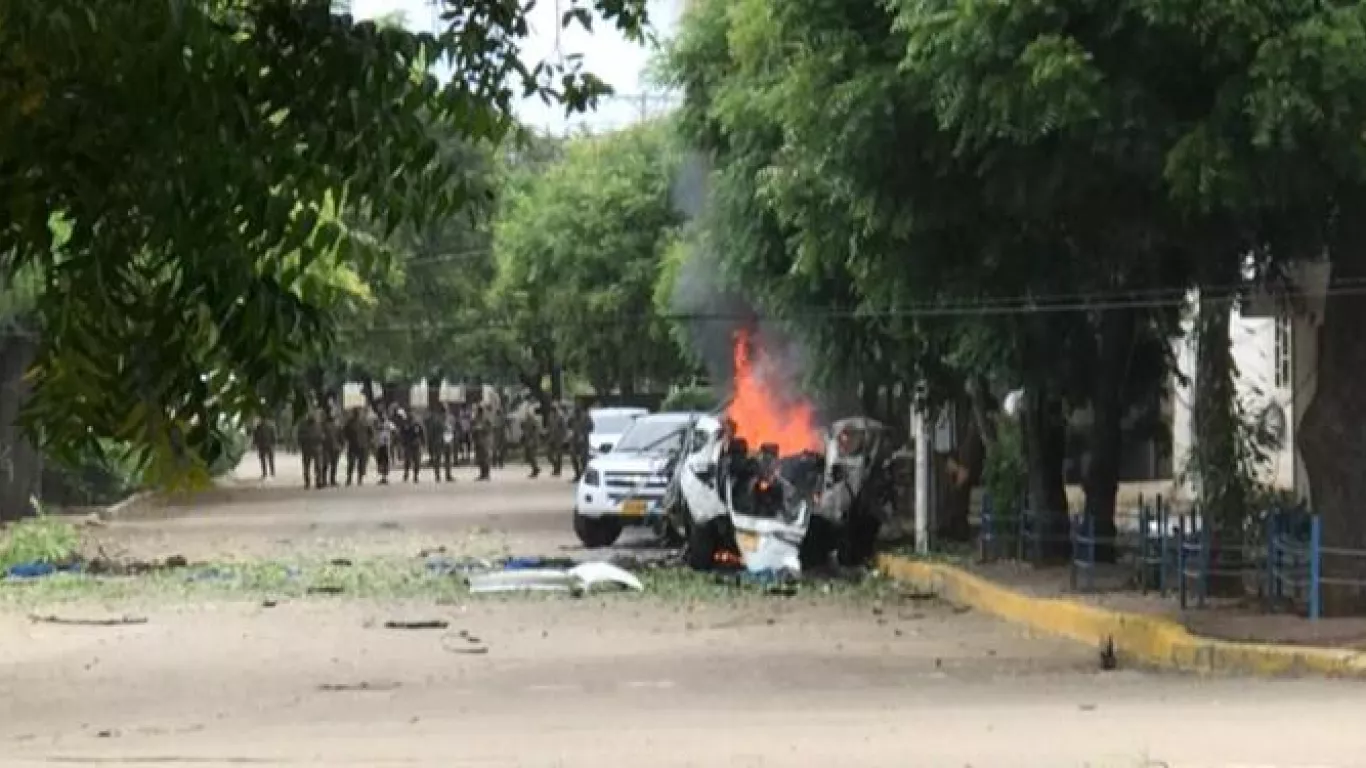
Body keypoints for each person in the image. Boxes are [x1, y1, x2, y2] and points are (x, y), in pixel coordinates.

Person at [343, 407, 373, 486]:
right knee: (351, 463)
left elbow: (371, 432)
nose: (357, 414)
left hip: (363, 445)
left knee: (361, 463)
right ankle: (349, 478)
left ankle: (360, 478)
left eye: (358, 412)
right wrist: (348, 440)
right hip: (353, 445)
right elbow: (345, 433)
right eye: (355, 412)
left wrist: (368, 442)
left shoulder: (365, 422)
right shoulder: (349, 422)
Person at [425, 404, 454, 482]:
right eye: (443, 410)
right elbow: (432, 431)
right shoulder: (436, 420)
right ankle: (437, 475)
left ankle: (448, 475)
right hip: (439, 441)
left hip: (448, 440)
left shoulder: (450, 419)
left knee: (448, 459)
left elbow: (452, 429)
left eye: (446, 410)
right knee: (438, 459)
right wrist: (432, 441)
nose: (445, 412)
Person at [296, 408, 323, 490]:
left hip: (315, 448)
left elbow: (322, 436)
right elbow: (299, 437)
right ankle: (308, 482)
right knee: (308, 466)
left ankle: (318, 481)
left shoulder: (317, 425)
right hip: (308, 448)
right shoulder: (304, 425)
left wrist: (320, 439)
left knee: (317, 466)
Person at [400, 408, 425, 483]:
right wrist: (403, 443)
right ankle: (406, 473)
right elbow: (402, 434)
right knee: (407, 461)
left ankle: (415, 476)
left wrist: (423, 443)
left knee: (417, 461)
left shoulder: (417, 424)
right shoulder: (405, 423)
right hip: (408, 445)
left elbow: (422, 434)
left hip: (416, 445)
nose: (410, 415)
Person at [569, 404, 593, 482]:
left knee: (583, 459)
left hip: (584, 441)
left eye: (577, 411)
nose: (576, 413)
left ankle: (584, 475)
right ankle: (577, 475)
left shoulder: (586, 417)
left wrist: (584, 434)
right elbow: (568, 425)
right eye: (575, 412)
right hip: (574, 440)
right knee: (573, 457)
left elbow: (591, 427)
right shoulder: (572, 417)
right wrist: (571, 432)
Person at [374, 408, 395, 485]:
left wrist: (391, 439)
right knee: (380, 461)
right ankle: (382, 477)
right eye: (381, 416)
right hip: (379, 445)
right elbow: (374, 432)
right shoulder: (377, 423)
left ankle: (385, 477)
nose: (382, 417)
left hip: (386, 445)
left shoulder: (389, 424)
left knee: (386, 461)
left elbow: (394, 431)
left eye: (384, 415)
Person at [545, 403, 567, 478]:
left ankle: (558, 470)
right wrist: (547, 433)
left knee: (559, 455)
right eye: (552, 409)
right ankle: (555, 466)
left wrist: (564, 438)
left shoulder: (561, 417)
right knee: (548, 454)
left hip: (559, 438)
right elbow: (549, 426)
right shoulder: (550, 416)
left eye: (554, 409)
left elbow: (564, 428)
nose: (552, 410)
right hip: (551, 438)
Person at [521, 405, 541, 479]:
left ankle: (535, 470)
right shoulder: (526, 421)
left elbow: (535, 432)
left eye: (528, 414)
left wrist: (532, 440)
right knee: (528, 457)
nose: (527, 415)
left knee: (532, 456)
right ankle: (535, 468)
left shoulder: (534, 421)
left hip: (533, 441)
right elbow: (524, 430)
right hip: (528, 441)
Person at [472, 404, 492, 481]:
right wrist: (475, 430)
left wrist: (482, 429)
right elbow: (472, 429)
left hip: (484, 441)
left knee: (485, 458)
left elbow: (489, 429)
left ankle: (487, 474)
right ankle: (482, 474)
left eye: (479, 411)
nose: (478, 413)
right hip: (478, 441)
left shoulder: (486, 419)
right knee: (479, 458)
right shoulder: (475, 419)